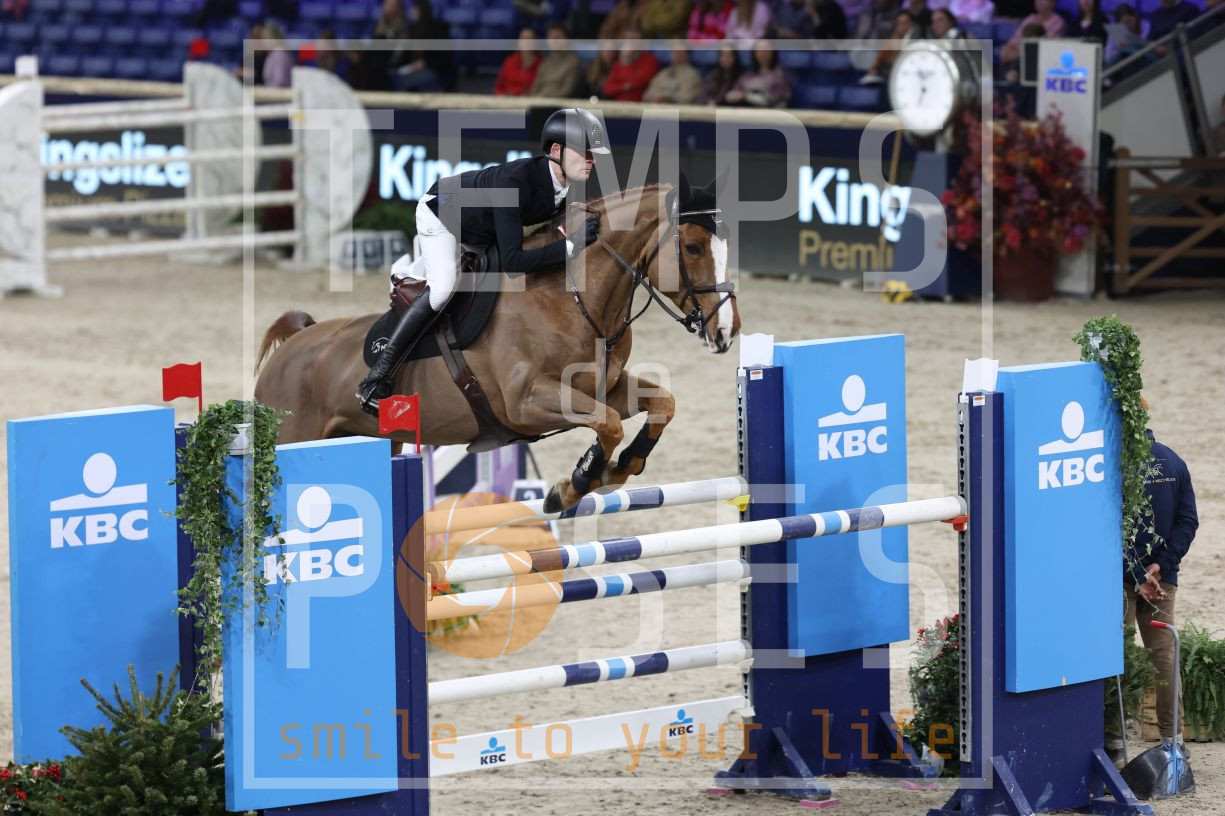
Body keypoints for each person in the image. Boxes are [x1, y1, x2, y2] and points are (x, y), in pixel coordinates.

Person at [356, 109, 609, 414]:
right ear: (557, 151)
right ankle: (378, 377)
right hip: (441, 214)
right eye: (585, 153)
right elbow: (514, 261)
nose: (592, 160)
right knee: (443, 289)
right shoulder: (515, 182)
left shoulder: (563, 184)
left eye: (594, 155)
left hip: (481, 227)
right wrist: (571, 246)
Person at [1105, 395, 1198, 765]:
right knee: (1164, 657)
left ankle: (1114, 743)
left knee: (1119, 655)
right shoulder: (1173, 460)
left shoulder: (1112, 466)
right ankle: (1174, 741)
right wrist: (1161, 565)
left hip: (1122, 581)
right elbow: (1188, 522)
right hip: (1162, 580)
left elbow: (1108, 529)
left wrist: (1136, 573)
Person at [859, 11, 922, 84]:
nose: (902, 27)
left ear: (914, 24)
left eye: (906, 23)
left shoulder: (919, 42)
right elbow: (878, 62)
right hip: (889, 77)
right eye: (899, 24)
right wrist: (874, 69)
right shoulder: (892, 41)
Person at [600, 29, 660, 101]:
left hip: (641, 103)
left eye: (634, 39)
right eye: (628, 38)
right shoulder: (620, 61)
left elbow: (640, 84)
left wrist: (627, 62)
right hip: (619, 103)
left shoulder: (650, 60)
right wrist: (624, 87)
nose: (630, 42)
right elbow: (608, 88)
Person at [724, 40, 790, 106]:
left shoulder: (779, 74)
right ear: (754, 53)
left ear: (773, 52)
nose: (763, 54)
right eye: (760, 51)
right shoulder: (748, 75)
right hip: (745, 109)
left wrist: (746, 96)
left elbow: (777, 99)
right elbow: (734, 93)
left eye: (766, 51)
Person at [1000, 0, 1065, 65]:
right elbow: (1016, 38)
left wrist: (1018, 54)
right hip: (1018, 55)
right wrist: (1007, 48)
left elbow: (1043, 45)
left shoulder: (1058, 22)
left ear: (1052, 3)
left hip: (1039, 60)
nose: (1039, 1)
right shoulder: (1030, 18)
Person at [530, 23, 584, 98]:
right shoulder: (545, 62)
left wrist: (542, 98)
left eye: (558, 37)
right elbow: (535, 88)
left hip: (558, 103)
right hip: (538, 100)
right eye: (551, 37)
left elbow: (567, 91)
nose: (554, 40)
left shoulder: (574, 62)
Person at [494, 28, 543, 96]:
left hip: (530, 100)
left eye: (530, 39)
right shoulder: (510, 61)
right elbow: (499, 87)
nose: (527, 42)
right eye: (524, 39)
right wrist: (502, 96)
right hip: (507, 99)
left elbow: (542, 89)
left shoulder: (542, 64)